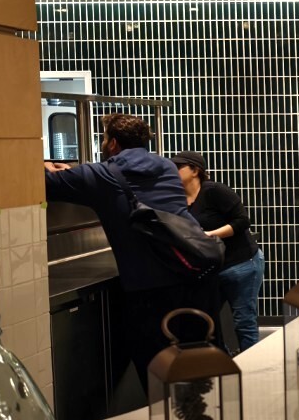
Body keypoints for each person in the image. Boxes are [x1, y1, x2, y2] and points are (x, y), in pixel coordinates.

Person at [45, 114, 215, 393]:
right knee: (193, 363)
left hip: (147, 289)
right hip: (190, 275)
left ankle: (168, 419)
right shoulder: (166, 166)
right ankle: (197, 415)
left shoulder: (101, 175)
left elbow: (45, 185)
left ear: (113, 143)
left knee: (156, 370)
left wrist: (55, 170)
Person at [173, 150, 264, 350]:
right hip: (213, 269)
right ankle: (224, 362)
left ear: (195, 170)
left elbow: (242, 221)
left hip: (241, 264)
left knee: (244, 322)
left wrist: (210, 235)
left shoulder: (214, 191)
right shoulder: (177, 198)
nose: (174, 170)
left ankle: (250, 365)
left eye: (179, 166)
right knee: (208, 320)